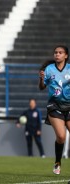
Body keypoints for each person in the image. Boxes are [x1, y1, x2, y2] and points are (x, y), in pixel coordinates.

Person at [39, 45, 70, 175]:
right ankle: (58, 161)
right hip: (54, 105)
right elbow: (42, 87)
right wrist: (41, 78)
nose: (57, 54)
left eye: (60, 52)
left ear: (66, 56)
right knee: (61, 136)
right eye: (56, 52)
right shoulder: (49, 69)